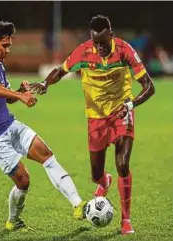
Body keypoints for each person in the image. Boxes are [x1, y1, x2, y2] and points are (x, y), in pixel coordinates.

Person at [30, 15, 155, 235]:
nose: (100, 48)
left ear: (111, 36)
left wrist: (131, 103)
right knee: (96, 174)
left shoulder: (125, 51)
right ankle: (104, 181)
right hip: (95, 118)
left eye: (104, 43)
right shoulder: (83, 52)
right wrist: (45, 83)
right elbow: (61, 70)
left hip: (121, 112)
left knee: (123, 163)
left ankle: (126, 220)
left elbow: (149, 86)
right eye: (96, 43)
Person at [0, 21, 86, 232]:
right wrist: (20, 96)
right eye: (4, 45)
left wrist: (18, 91)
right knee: (23, 181)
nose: (8, 50)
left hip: (10, 124)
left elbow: (5, 98)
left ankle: (78, 204)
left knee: (46, 153)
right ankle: (13, 220)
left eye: (9, 45)